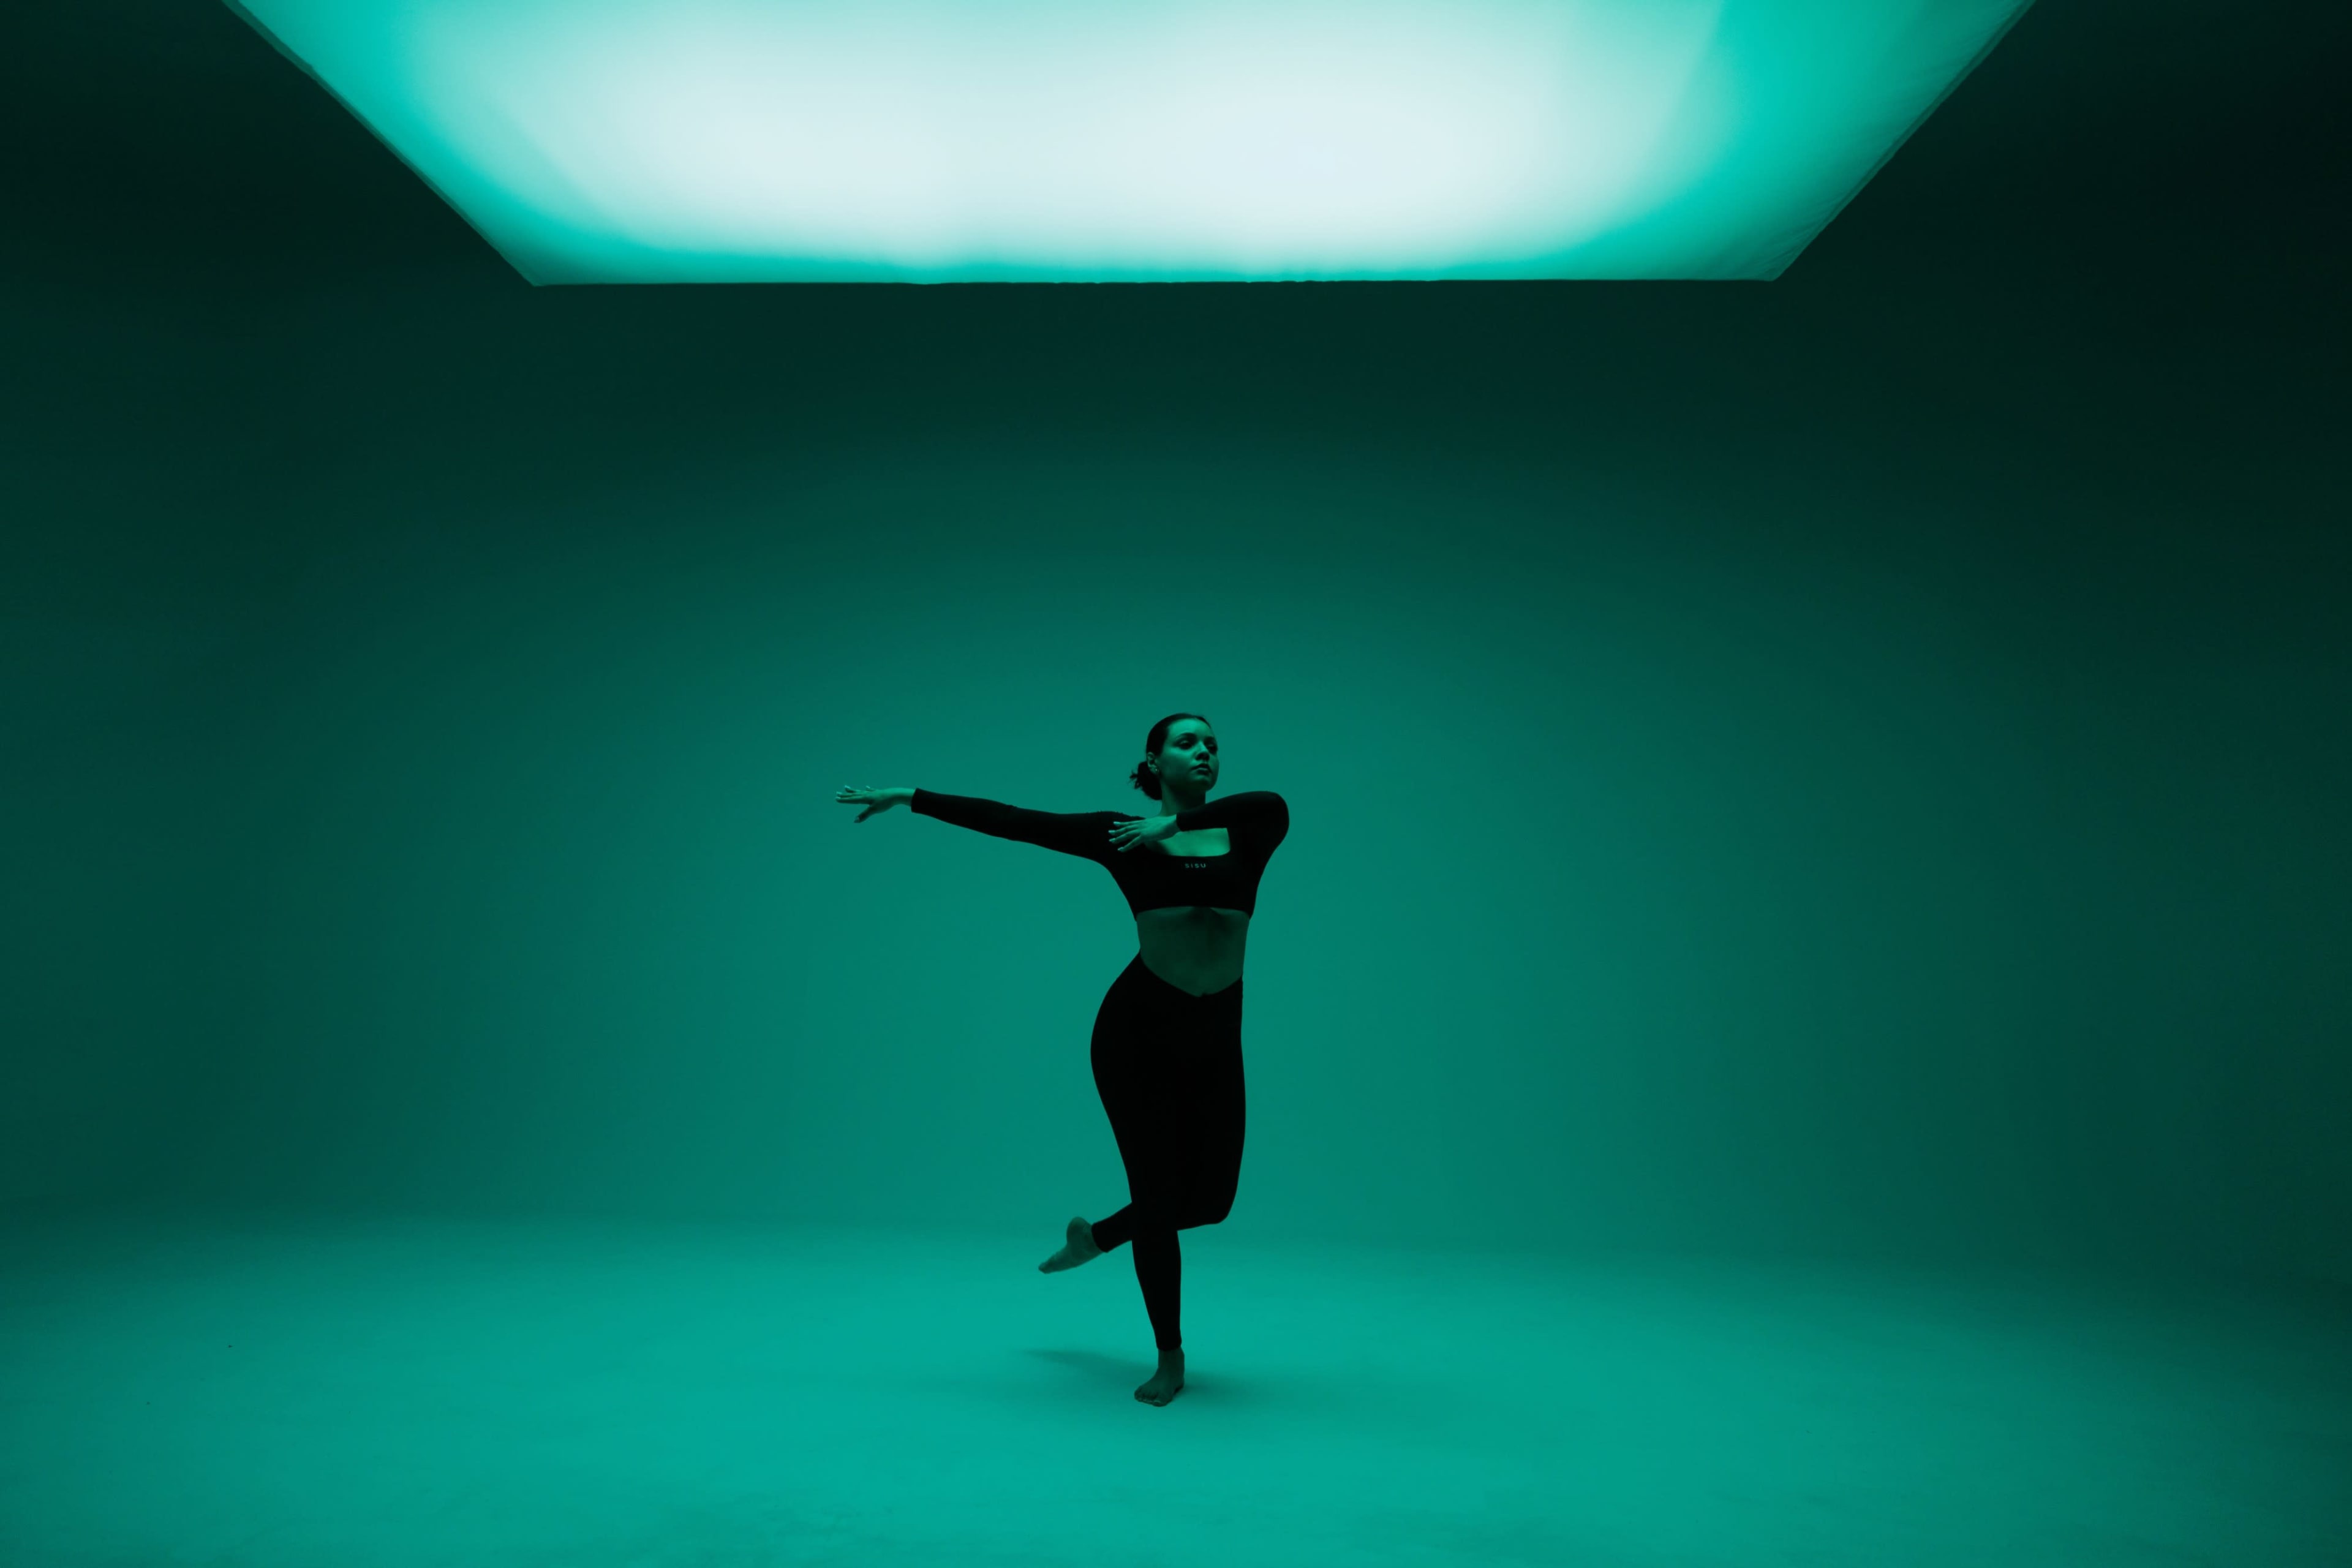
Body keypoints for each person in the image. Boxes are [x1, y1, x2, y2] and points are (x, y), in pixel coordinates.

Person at [834, 713, 1289, 1406]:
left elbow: (1274, 803)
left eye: (1213, 743)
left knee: (1213, 1201)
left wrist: (1170, 828)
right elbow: (1018, 820)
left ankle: (1098, 1237)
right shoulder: (1121, 835)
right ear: (1153, 760)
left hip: (1215, 1032)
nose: (1205, 750)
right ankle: (1170, 1357)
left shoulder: (1251, 831)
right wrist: (912, 795)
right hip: (1138, 1033)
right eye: (1186, 742)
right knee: (1162, 1198)